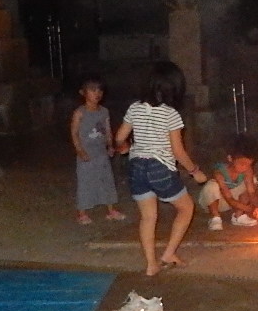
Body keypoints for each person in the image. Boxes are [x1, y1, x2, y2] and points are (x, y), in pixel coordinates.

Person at [113, 62, 208, 278]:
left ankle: (151, 265)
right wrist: (195, 171)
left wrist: (125, 148)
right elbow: (178, 151)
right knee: (186, 208)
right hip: (159, 167)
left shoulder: (135, 107)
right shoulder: (170, 114)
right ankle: (168, 253)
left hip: (136, 167)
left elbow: (119, 137)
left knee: (148, 217)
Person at [70, 77, 126, 225]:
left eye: (100, 90)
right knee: (86, 181)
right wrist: (79, 150)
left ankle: (111, 210)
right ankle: (82, 212)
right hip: (86, 151)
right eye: (93, 90)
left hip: (101, 152)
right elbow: (74, 133)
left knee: (106, 179)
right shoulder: (80, 112)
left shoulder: (104, 111)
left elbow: (107, 130)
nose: (97, 93)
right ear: (83, 93)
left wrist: (110, 145)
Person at [198, 134, 258, 230]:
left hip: (234, 200)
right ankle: (215, 218)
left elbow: (251, 192)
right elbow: (229, 199)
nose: (245, 167)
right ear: (230, 159)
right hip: (214, 201)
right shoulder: (219, 172)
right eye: (242, 164)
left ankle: (238, 216)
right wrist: (250, 209)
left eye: (248, 164)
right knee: (211, 186)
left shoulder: (247, 170)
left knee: (253, 180)